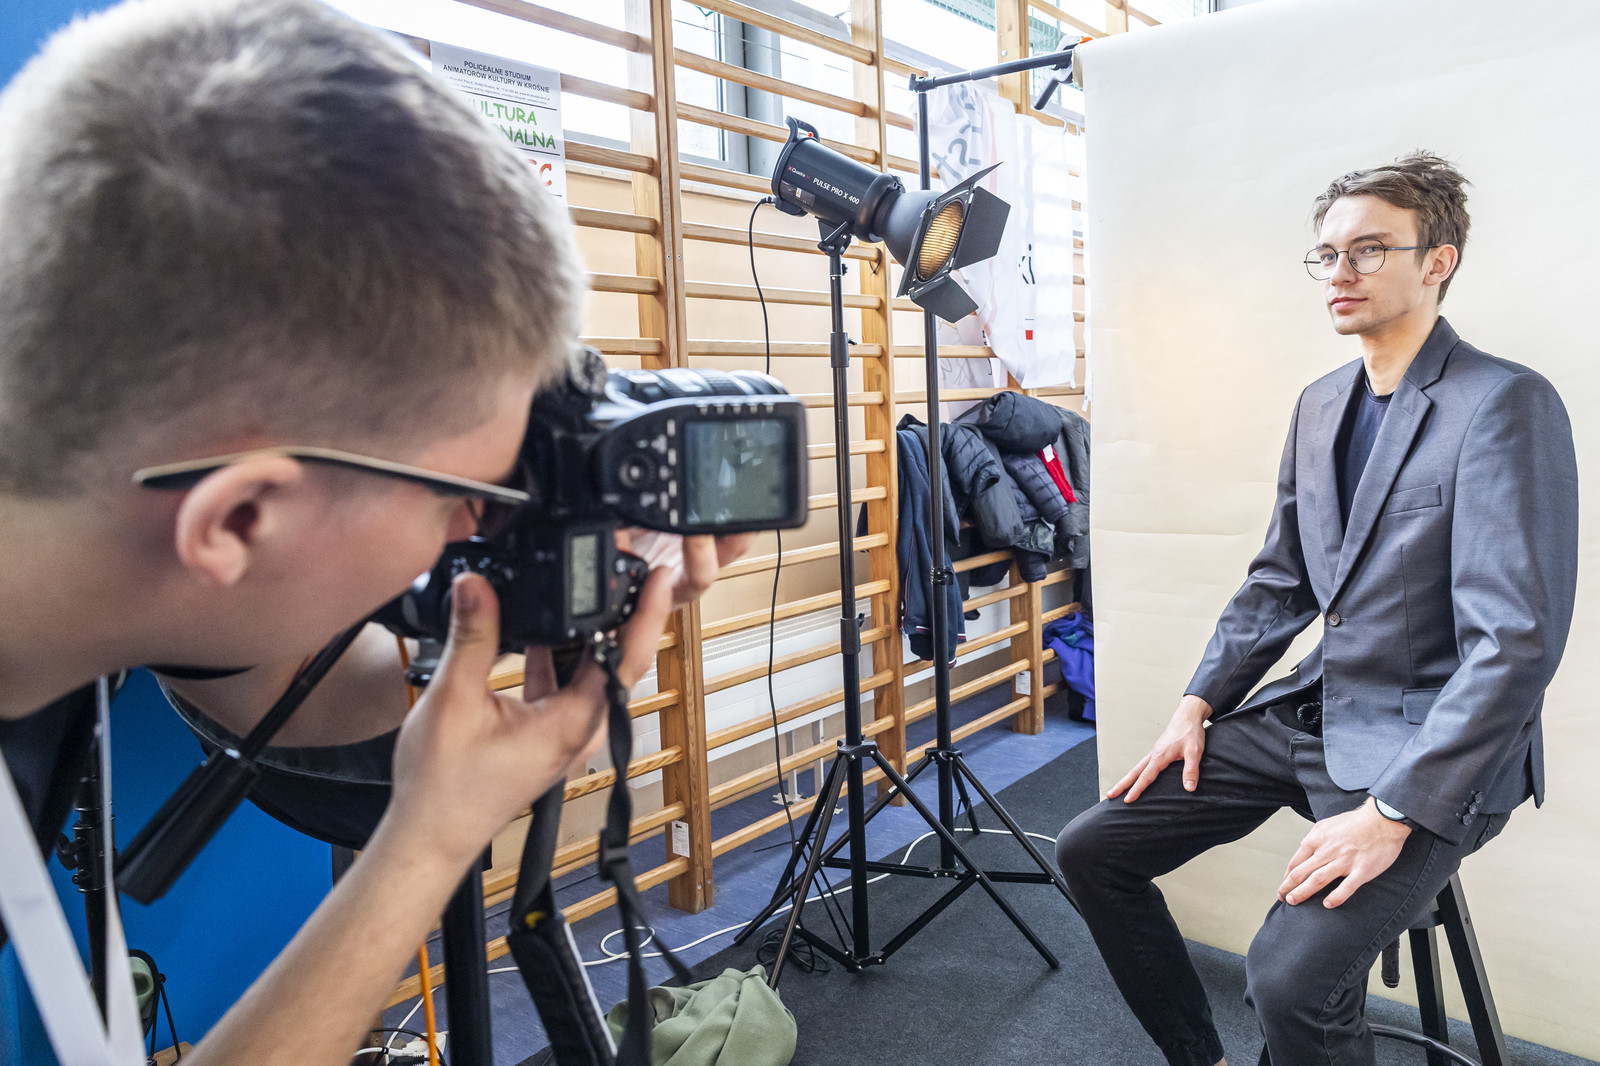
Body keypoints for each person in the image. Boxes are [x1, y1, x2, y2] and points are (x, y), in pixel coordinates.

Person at [0, 1, 746, 1064]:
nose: (476, 527)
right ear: (240, 517)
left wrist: (548, 609)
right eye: (461, 500)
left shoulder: (87, 513)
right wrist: (426, 847)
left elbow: (290, 689)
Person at [1055, 151, 1579, 1066]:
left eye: (1369, 249)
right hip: (1314, 711)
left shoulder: (1504, 402)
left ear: (1438, 261)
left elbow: (1516, 644)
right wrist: (1196, 705)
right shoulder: (1321, 403)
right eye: (1328, 254)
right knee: (1089, 851)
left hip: (1427, 747)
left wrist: (1395, 810)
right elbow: (1280, 581)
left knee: (1289, 982)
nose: (1341, 271)